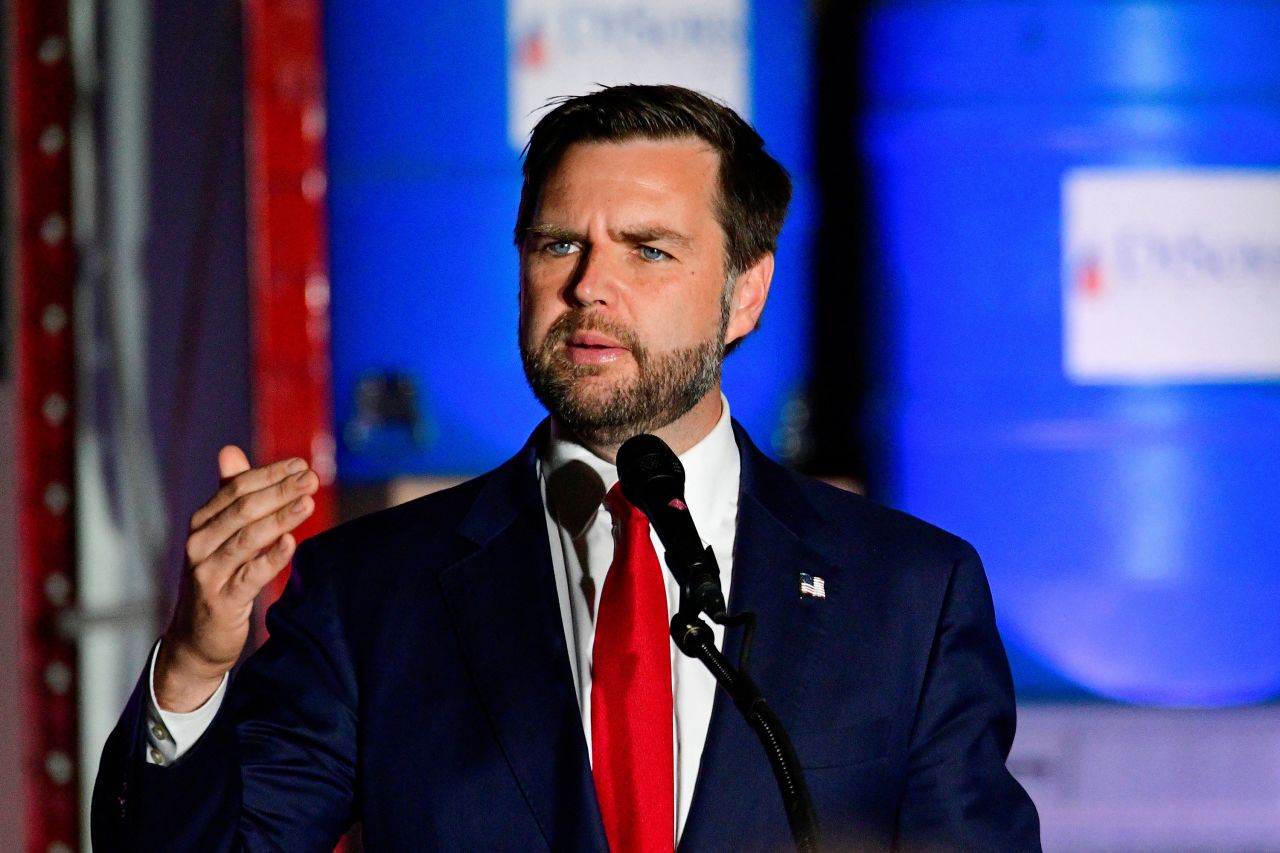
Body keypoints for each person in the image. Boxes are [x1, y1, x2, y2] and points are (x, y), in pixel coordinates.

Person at [92, 84, 1040, 851]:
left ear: (745, 293)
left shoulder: (908, 593)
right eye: (559, 245)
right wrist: (195, 666)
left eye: (649, 250)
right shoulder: (372, 591)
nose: (589, 286)